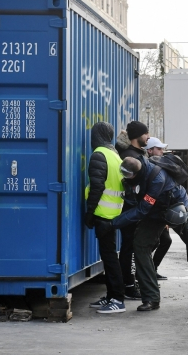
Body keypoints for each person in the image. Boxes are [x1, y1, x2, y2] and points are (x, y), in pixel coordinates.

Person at [113, 156, 188, 311]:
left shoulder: (157, 178)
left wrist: (114, 223)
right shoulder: (136, 171)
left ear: (136, 173)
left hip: (177, 210)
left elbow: (142, 209)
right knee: (140, 245)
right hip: (156, 213)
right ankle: (151, 298)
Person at [84, 122, 127, 313]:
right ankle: (111, 296)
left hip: (103, 214)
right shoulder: (114, 155)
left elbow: (97, 188)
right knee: (109, 257)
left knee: (110, 259)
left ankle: (117, 299)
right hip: (114, 213)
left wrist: (89, 213)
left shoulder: (99, 155)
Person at [116, 121, 151, 300]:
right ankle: (129, 286)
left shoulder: (136, 154)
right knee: (129, 248)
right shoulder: (131, 157)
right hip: (131, 208)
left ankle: (130, 283)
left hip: (133, 208)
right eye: (146, 133)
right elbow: (131, 185)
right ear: (138, 135)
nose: (148, 137)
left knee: (130, 247)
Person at [144, 137, 172, 280]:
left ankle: (152, 269)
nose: (162, 151)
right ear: (149, 150)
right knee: (148, 244)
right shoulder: (147, 166)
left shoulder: (158, 165)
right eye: (159, 149)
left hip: (157, 212)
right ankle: (146, 271)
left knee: (165, 241)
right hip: (149, 213)